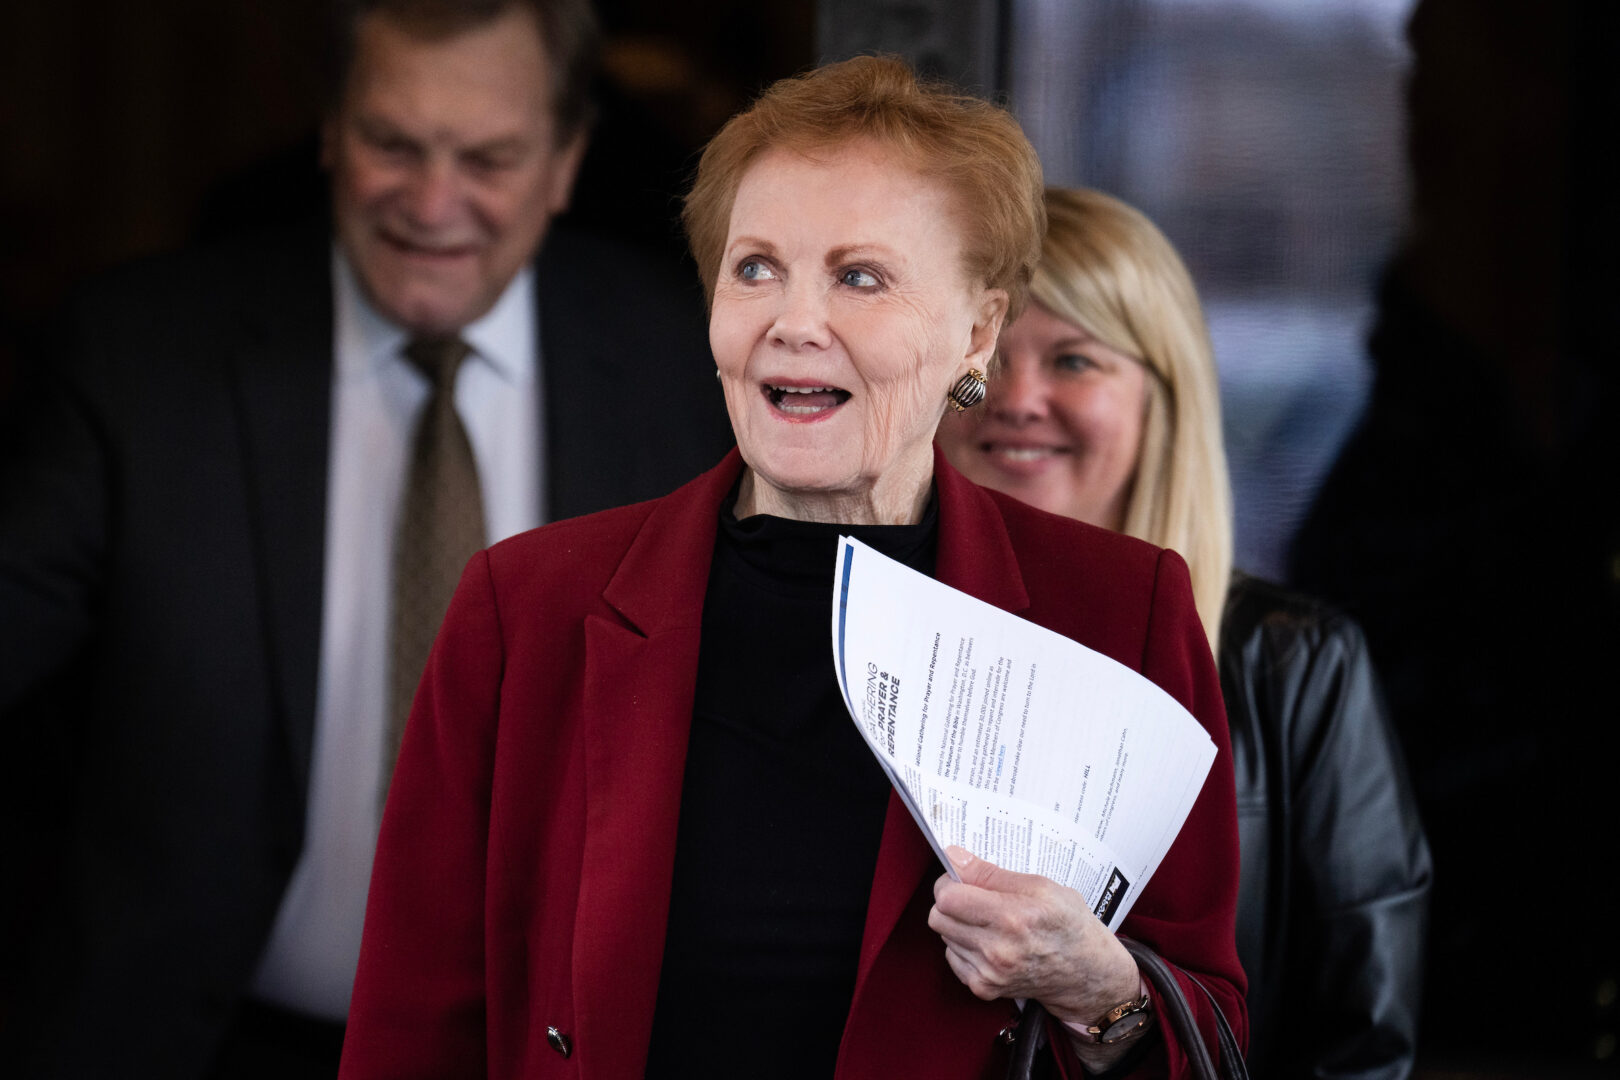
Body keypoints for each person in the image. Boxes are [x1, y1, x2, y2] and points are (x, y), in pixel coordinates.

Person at [339, 56, 1245, 1080]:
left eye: (859, 277)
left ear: (979, 329)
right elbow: (410, 1028)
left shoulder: (1120, 610)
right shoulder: (528, 605)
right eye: (755, 267)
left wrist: (1098, 990)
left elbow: (1209, 1029)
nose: (793, 321)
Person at [0, 0, 732, 1076]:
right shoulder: (139, 362)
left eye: (489, 157)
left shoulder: (693, 374)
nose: (434, 204)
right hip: (206, 1044)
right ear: (332, 131)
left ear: (567, 161)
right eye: (394, 144)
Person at [937, 186, 1432, 1079]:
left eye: (1075, 362)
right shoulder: (884, 652)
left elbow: (1359, 1046)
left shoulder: (1293, 664)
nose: (1017, 397)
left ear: (1161, 399)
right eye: (992, 357)